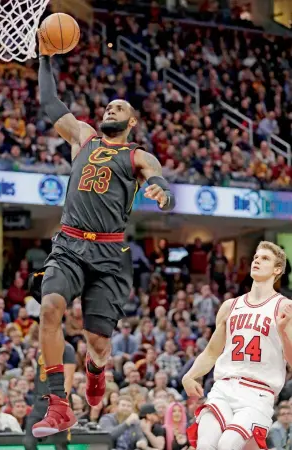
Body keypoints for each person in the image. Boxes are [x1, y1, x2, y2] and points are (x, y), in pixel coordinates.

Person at [29, 32, 175, 439]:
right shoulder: (84, 138)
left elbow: (155, 173)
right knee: (50, 308)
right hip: (69, 243)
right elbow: (50, 104)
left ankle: (96, 369)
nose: (111, 106)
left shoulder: (136, 154)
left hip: (110, 254)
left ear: (131, 122)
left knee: (97, 342)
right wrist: (45, 59)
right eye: (108, 104)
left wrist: (161, 188)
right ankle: (58, 404)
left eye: (120, 106)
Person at [182, 241, 292, 450]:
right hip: (224, 386)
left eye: (265, 258)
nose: (257, 260)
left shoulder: (284, 307)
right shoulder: (230, 306)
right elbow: (212, 351)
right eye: (256, 257)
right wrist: (190, 375)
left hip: (258, 391)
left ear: (277, 270)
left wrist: (284, 333)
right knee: (205, 445)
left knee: (227, 445)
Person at [23, 341, 76, 449]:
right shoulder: (40, 349)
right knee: (28, 441)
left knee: (60, 444)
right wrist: (35, 400)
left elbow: (69, 378)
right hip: (40, 403)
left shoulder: (67, 348)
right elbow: (38, 378)